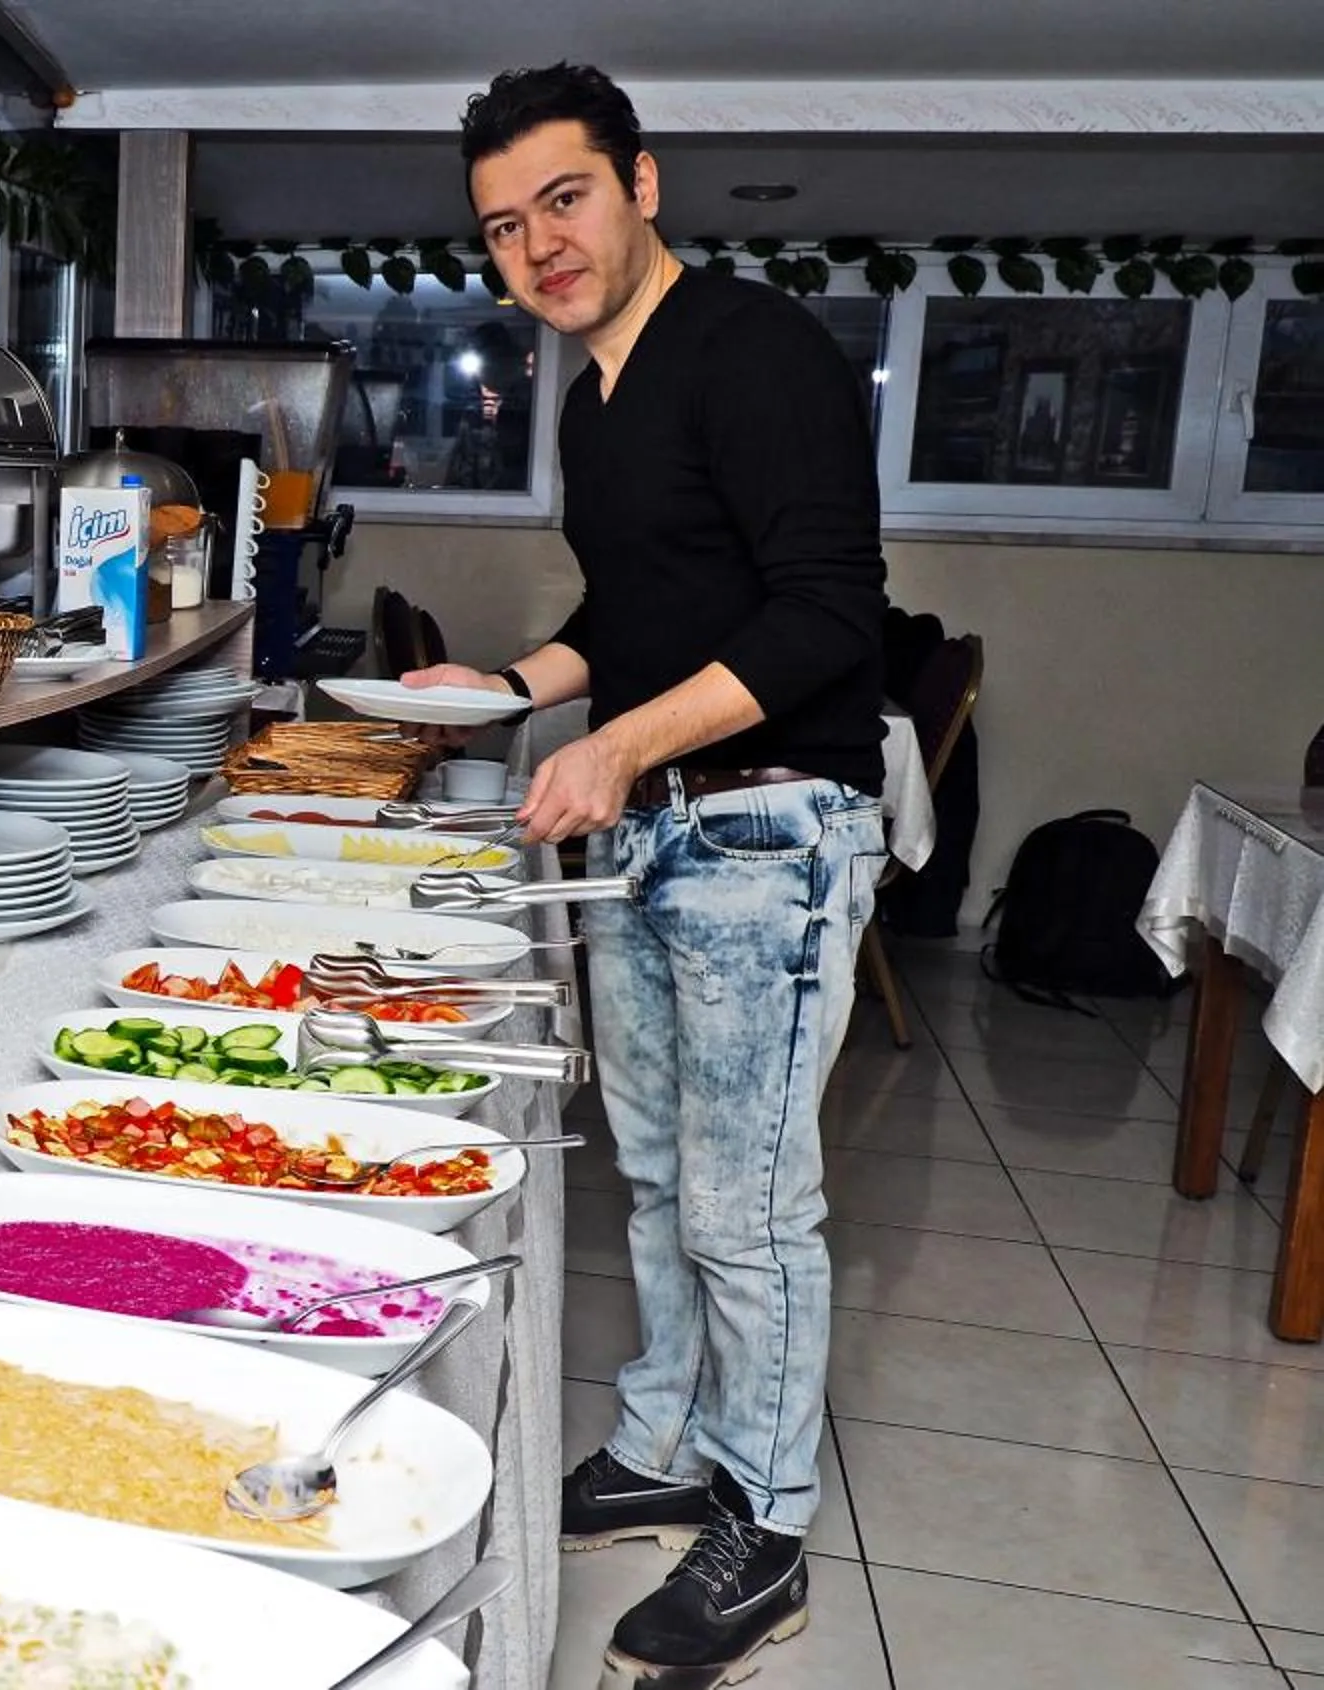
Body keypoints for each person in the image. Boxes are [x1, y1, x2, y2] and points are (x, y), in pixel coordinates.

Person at [406, 65, 889, 1689]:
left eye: (564, 196)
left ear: (640, 183)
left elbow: (830, 614)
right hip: (658, 838)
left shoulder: (755, 353)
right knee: (668, 1184)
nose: (537, 241)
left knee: (753, 1211)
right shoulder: (598, 404)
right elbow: (633, 618)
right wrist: (513, 688)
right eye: (501, 224)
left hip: (772, 831)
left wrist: (618, 749)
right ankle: (669, 1450)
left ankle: (765, 1528)